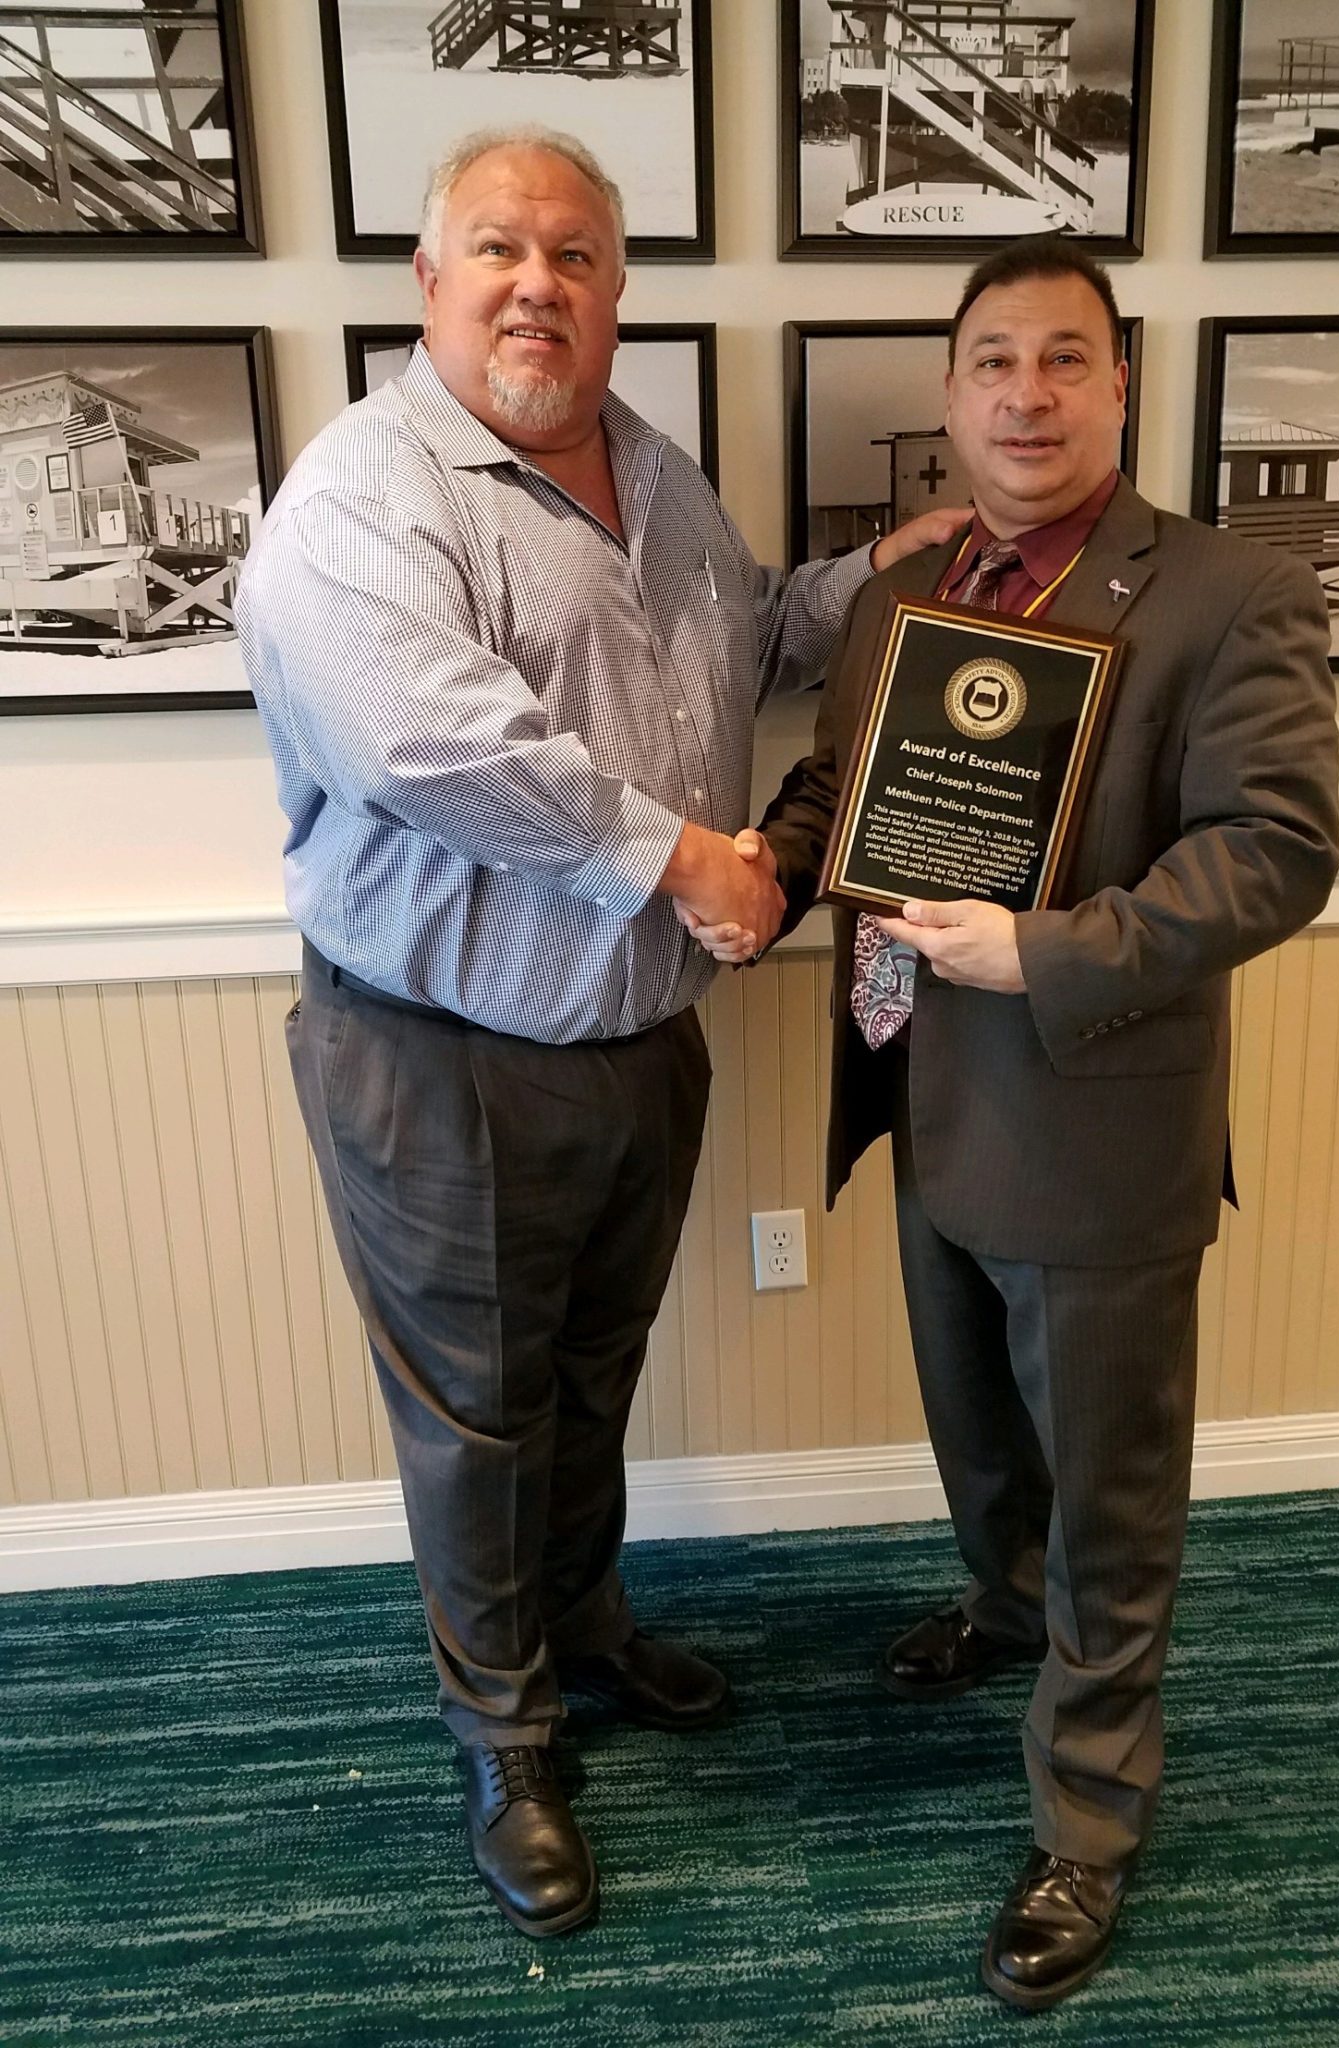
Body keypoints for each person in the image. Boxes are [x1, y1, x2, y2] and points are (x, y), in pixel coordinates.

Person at [234, 124, 963, 1941]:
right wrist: (688, 863)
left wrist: (886, 571)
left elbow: (742, 646)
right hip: (444, 1057)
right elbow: (441, 745)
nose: (537, 284)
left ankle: (587, 1627)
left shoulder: (651, 468)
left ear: (617, 293)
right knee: (478, 1415)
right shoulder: (361, 503)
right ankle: (506, 1738)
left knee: (586, 1374)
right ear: (429, 282)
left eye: (573, 256)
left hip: (640, 1045)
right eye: (498, 249)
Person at [690, 239, 1339, 2010]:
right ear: (953, 392)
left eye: (1067, 360)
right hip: (924, 1091)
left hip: (1097, 1114)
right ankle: (999, 1601)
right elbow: (847, 782)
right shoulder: (913, 596)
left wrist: (1048, 948)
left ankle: (1090, 1818)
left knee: (1113, 1495)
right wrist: (769, 854)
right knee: (978, 1424)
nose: (1028, 395)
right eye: (995, 362)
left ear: (1119, 384)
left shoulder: (1226, 593)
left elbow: (1275, 850)